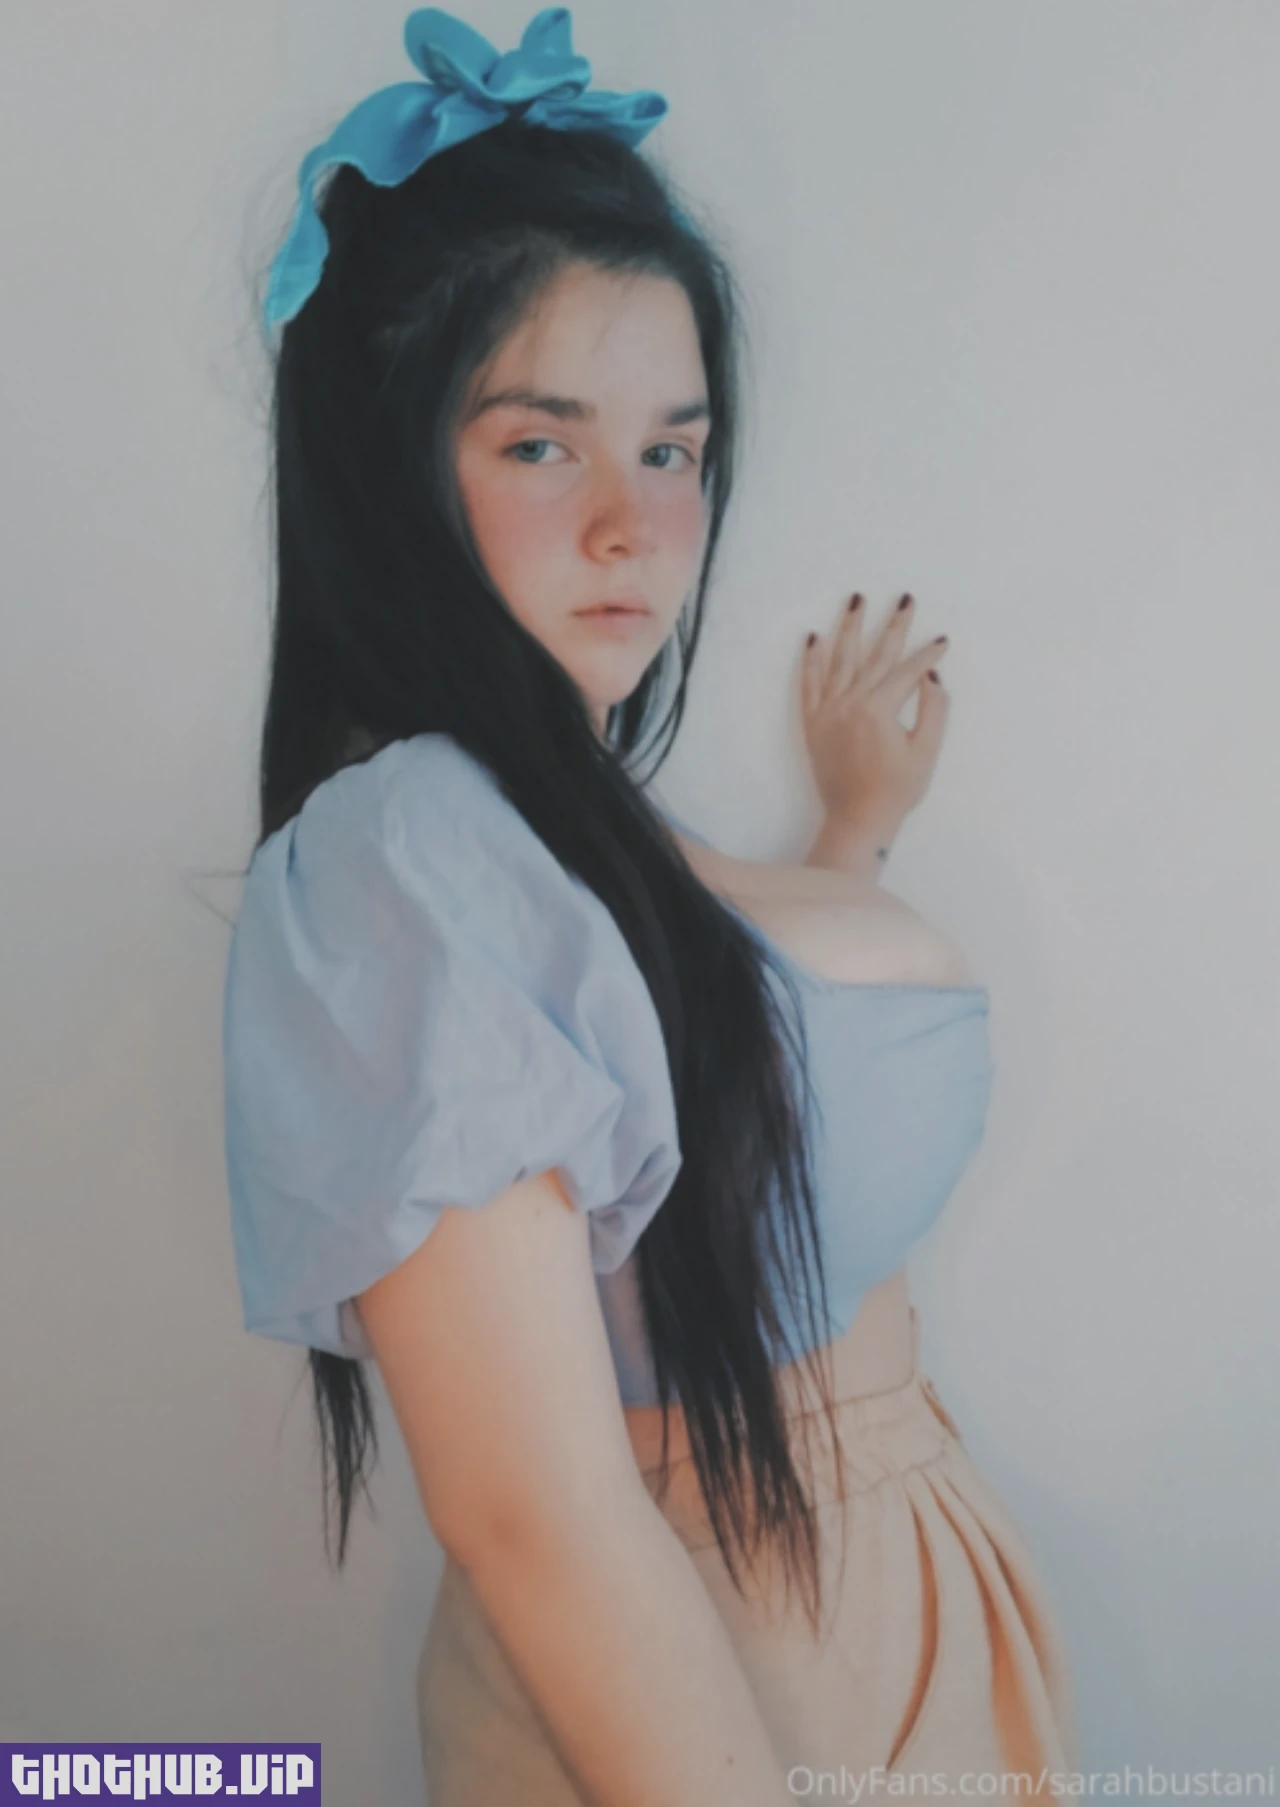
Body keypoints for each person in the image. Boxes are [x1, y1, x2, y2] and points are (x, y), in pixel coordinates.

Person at [222, 8, 1080, 1802]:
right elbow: (542, 1520)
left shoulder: (555, 835)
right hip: (715, 1683)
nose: (633, 525)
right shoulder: (402, 857)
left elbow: (705, 1079)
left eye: (674, 449)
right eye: (542, 446)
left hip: (869, 1618)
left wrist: (850, 838)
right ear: (393, 470)